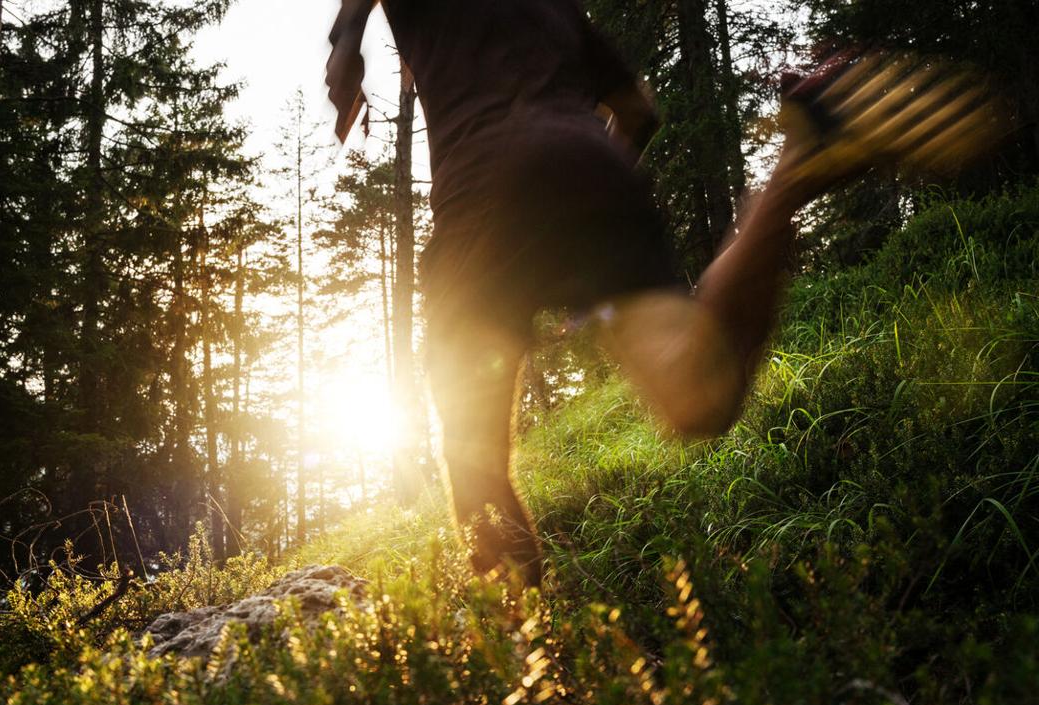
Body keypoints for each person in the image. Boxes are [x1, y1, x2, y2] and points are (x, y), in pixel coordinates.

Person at [326, 0, 1001, 587]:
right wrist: (586, 234)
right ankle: (794, 169)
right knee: (700, 395)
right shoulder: (553, 7)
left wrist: (345, 41)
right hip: (587, 161)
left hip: (478, 199)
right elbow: (640, 113)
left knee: (477, 476)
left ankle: (523, 681)